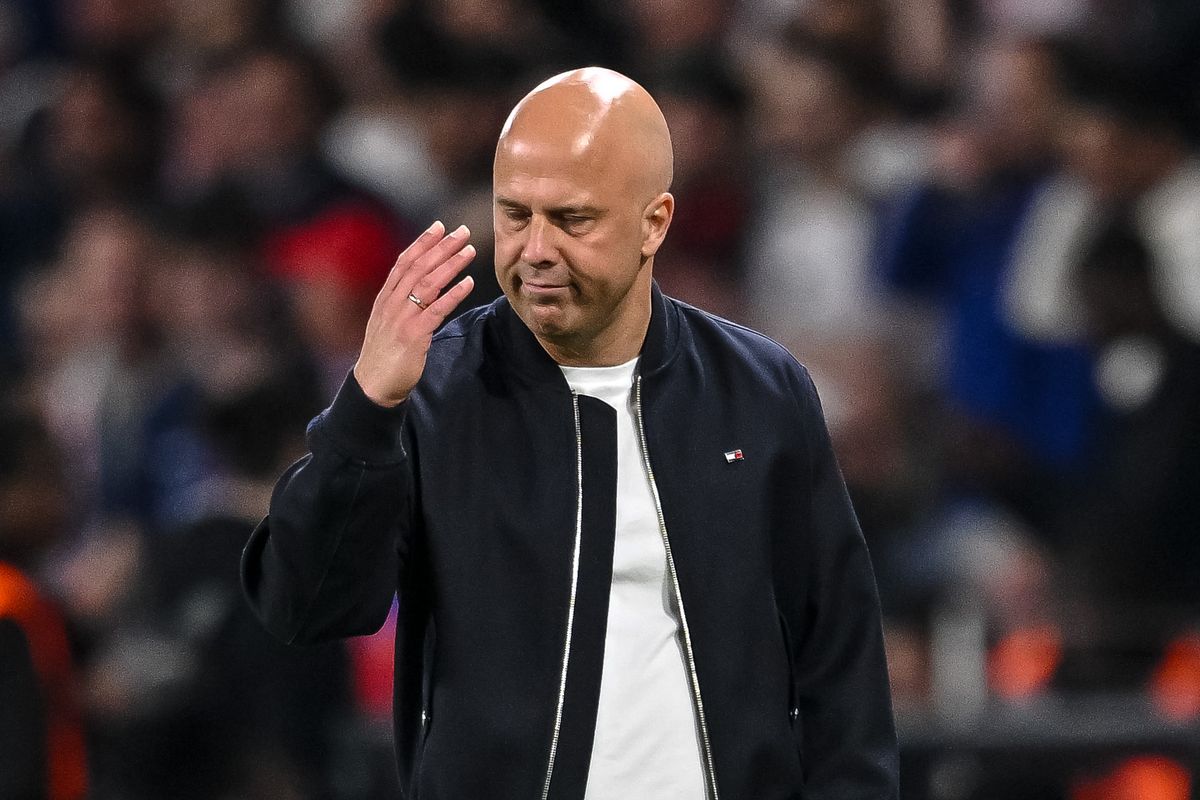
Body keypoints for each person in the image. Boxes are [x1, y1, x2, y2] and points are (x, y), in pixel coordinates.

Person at [243, 67, 898, 798]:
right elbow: (305, 606)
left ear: (654, 222)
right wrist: (366, 410)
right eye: (514, 215)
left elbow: (840, 657)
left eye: (572, 218)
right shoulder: (433, 392)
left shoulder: (761, 390)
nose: (535, 250)